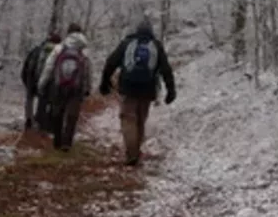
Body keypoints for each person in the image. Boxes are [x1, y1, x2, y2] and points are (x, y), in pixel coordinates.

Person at [99, 16, 176, 166]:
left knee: (128, 119)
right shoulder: (156, 46)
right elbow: (166, 69)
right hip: (148, 90)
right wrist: (171, 90)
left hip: (128, 87)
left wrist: (105, 82)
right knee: (140, 120)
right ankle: (136, 151)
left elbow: (111, 62)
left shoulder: (127, 44)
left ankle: (131, 153)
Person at [38, 22, 92, 151]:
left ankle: (57, 140)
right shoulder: (84, 50)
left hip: (58, 85)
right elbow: (88, 71)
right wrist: (87, 88)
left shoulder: (59, 48)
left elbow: (48, 67)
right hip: (76, 87)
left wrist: (42, 84)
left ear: (68, 33)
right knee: (72, 115)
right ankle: (67, 142)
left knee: (58, 112)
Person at [20, 30, 61, 130]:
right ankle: (44, 123)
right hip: (47, 81)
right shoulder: (58, 53)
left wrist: (26, 80)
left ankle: (29, 120)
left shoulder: (36, 50)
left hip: (31, 77)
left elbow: (25, 67)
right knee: (46, 101)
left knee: (29, 99)